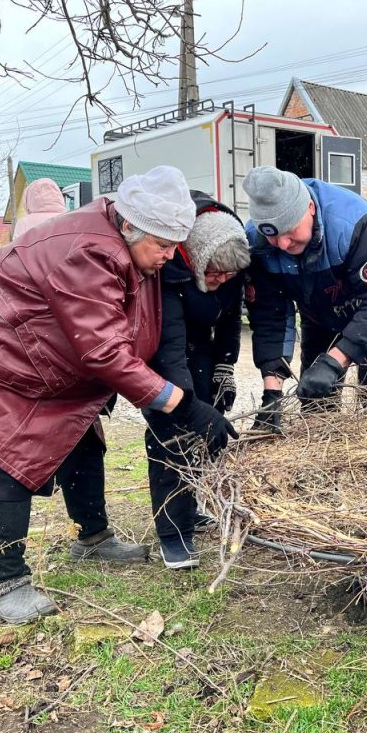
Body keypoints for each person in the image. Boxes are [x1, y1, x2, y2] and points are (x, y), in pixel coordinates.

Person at [0, 166, 238, 624]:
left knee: (82, 435)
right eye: (162, 246)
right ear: (129, 226)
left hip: (37, 352)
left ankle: (93, 539)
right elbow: (104, 350)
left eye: (172, 246)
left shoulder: (131, 247)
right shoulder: (87, 250)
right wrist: (185, 405)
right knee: (9, 455)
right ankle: (5, 583)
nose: (168, 256)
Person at [241, 166, 367, 432]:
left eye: (289, 230)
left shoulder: (354, 222)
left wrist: (335, 361)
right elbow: (269, 315)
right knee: (316, 398)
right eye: (272, 235)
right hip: (318, 311)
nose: (283, 244)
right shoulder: (257, 242)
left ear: (309, 208)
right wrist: (271, 397)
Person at [143, 191, 251, 569]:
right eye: (214, 274)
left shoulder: (231, 262)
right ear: (196, 261)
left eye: (230, 276)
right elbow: (169, 346)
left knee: (207, 431)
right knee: (172, 430)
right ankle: (173, 534)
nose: (221, 281)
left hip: (200, 345)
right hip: (161, 348)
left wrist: (225, 365)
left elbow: (229, 320)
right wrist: (187, 405)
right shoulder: (169, 272)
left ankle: (191, 507)